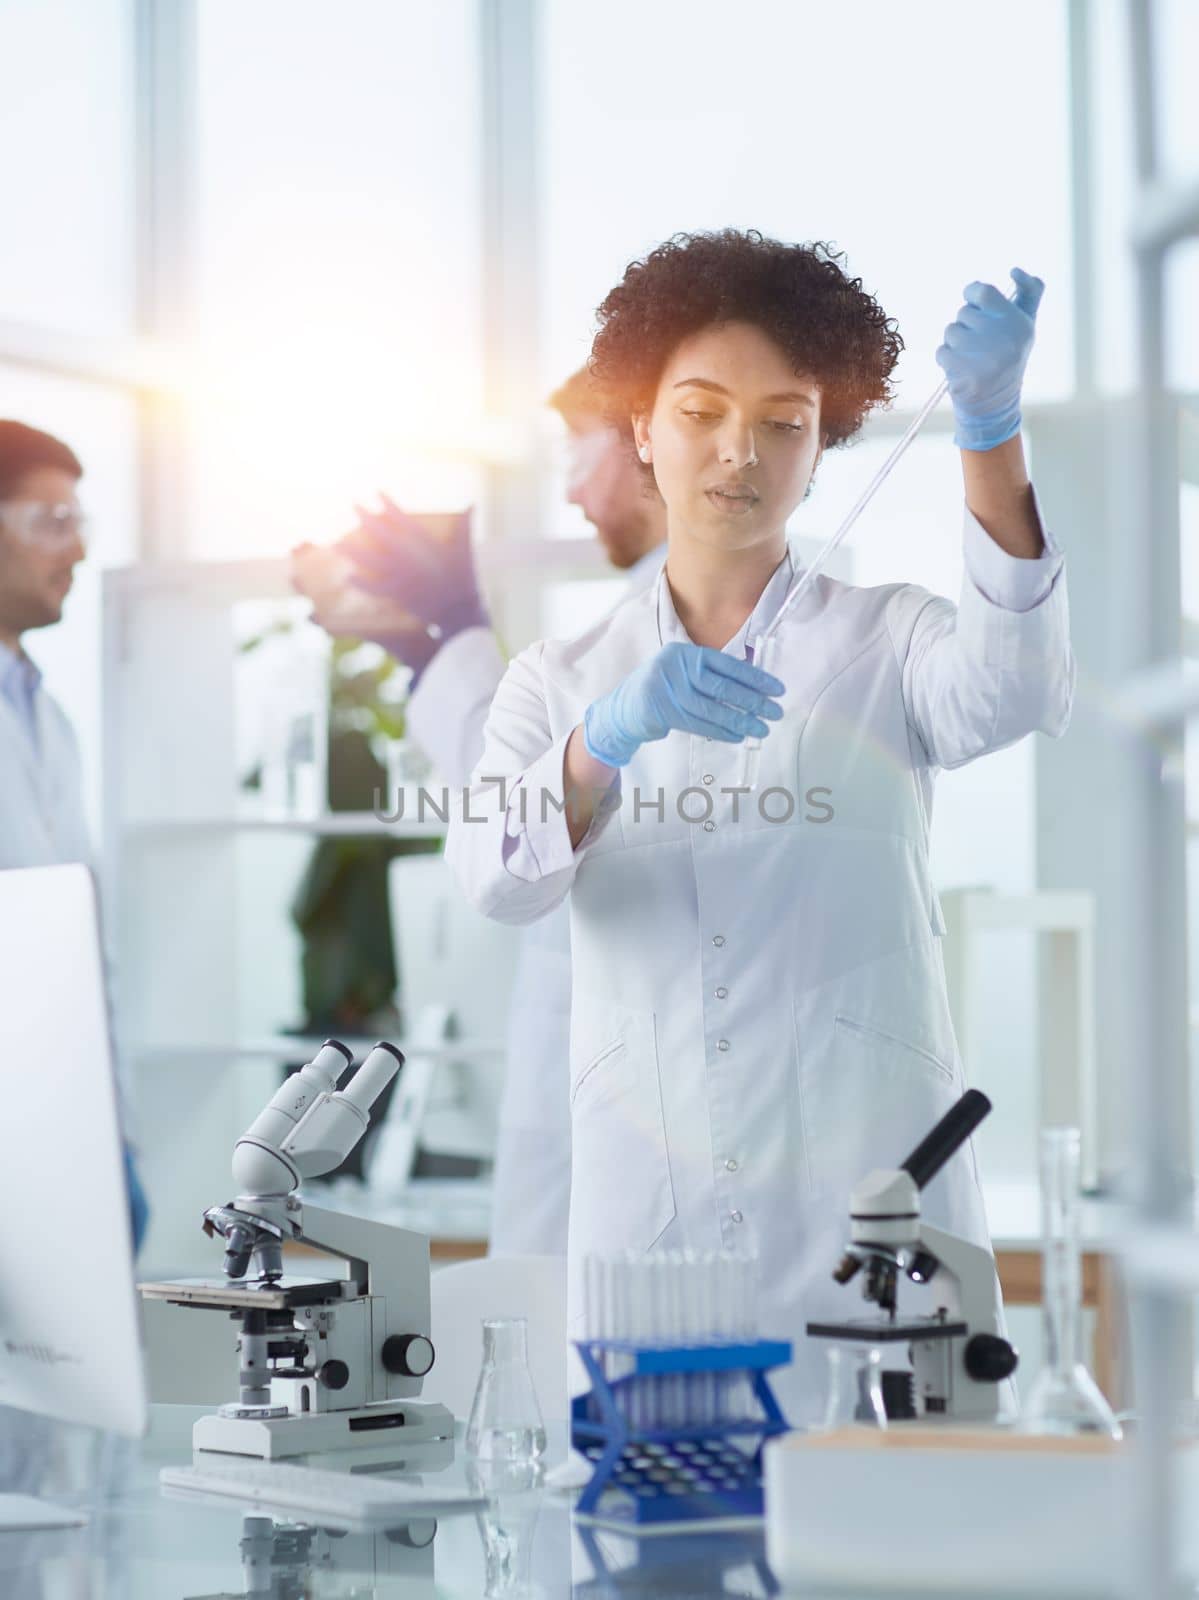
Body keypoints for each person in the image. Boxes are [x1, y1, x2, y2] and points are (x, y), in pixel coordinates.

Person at [447, 230, 1074, 1422]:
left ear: (820, 446)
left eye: (784, 421)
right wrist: (602, 739)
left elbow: (1011, 687)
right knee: (659, 1545)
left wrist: (987, 432)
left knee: (895, 1548)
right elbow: (493, 874)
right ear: (640, 429)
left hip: (872, 1225)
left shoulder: (886, 639)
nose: (740, 452)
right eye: (699, 411)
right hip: (656, 1246)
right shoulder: (560, 677)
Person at [298, 371, 666, 1253]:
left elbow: (513, 809)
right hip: (592, 1057)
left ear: (648, 437)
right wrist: (423, 641)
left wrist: (448, 632)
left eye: (579, 451)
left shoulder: (655, 633)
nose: (572, 488)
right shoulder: (630, 624)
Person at [0, 420, 149, 1252]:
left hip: (79, 1130)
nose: (77, 552)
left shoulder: (48, 717)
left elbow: (78, 946)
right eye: (53, 523)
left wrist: (117, 1136)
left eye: (80, 525)